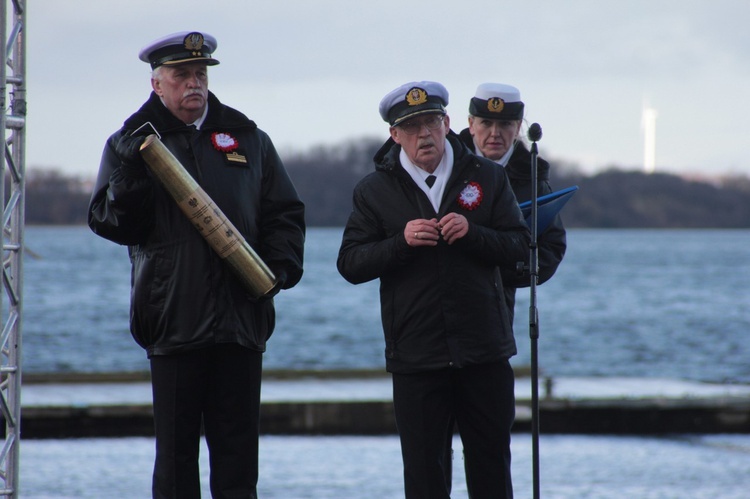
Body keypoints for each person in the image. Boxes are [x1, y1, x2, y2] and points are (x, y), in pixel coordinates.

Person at [88, 31, 305, 499]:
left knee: (238, 459)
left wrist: (279, 268)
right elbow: (109, 222)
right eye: (181, 74)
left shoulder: (248, 136)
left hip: (241, 318)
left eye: (200, 74)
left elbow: (284, 213)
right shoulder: (130, 144)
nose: (194, 84)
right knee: (175, 461)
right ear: (156, 84)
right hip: (173, 317)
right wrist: (130, 175)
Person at [337, 81, 530, 498]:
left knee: (491, 466)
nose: (424, 134)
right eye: (411, 127)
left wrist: (474, 234)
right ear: (394, 135)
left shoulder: (489, 177)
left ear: (446, 124)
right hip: (416, 356)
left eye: (430, 123)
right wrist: (399, 243)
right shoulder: (374, 190)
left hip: (484, 351)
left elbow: (520, 246)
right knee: (424, 475)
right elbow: (350, 264)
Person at [459, 83, 567, 326]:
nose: (495, 133)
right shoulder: (444, 163)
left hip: (496, 310)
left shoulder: (533, 178)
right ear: (471, 124)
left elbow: (551, 249)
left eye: (505, 124)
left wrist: (498, 272)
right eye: (486, 123)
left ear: (518, 127)